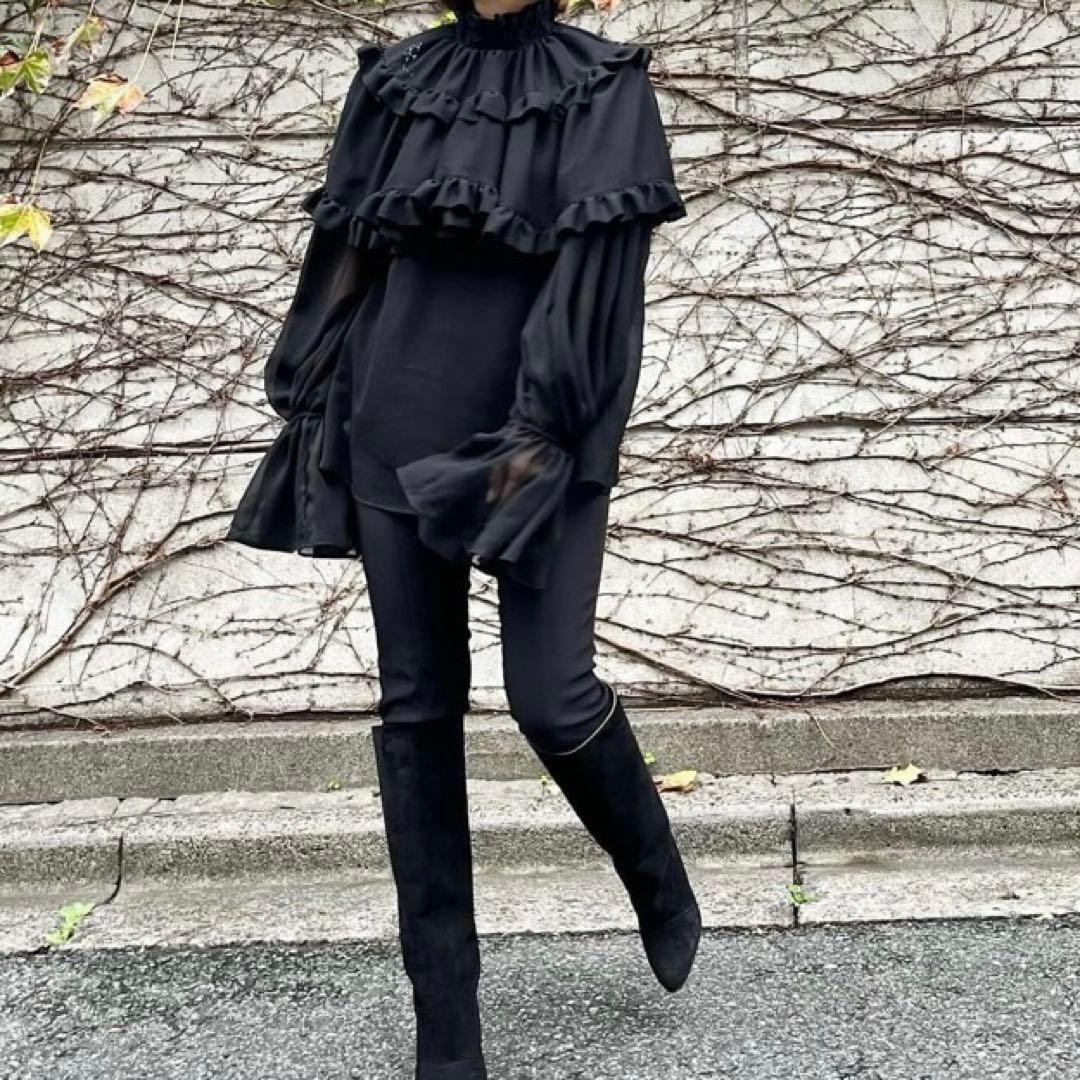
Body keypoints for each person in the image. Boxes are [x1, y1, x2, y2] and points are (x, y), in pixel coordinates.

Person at [225, 0, 701, 1075]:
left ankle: (657, 876)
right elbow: (345, 249)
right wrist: (313, 397)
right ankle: (446, 1017)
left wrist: (540, 434)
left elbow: (601, 289)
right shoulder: (394, 80)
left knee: (551, 695)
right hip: (393, 417)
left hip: (539, 431)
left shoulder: (604, 83)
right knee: (417, 709)